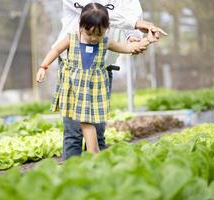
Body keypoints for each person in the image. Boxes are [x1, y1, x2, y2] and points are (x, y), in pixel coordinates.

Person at [51, 0, 166, 160]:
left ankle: (99, 174)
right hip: (73, 71)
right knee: (74, 132)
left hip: (102, 68)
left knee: (97, 129)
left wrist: (134, 37)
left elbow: (132, 16)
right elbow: (96, 14)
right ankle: (72, 174)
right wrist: (135, 23)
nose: (94, 36)